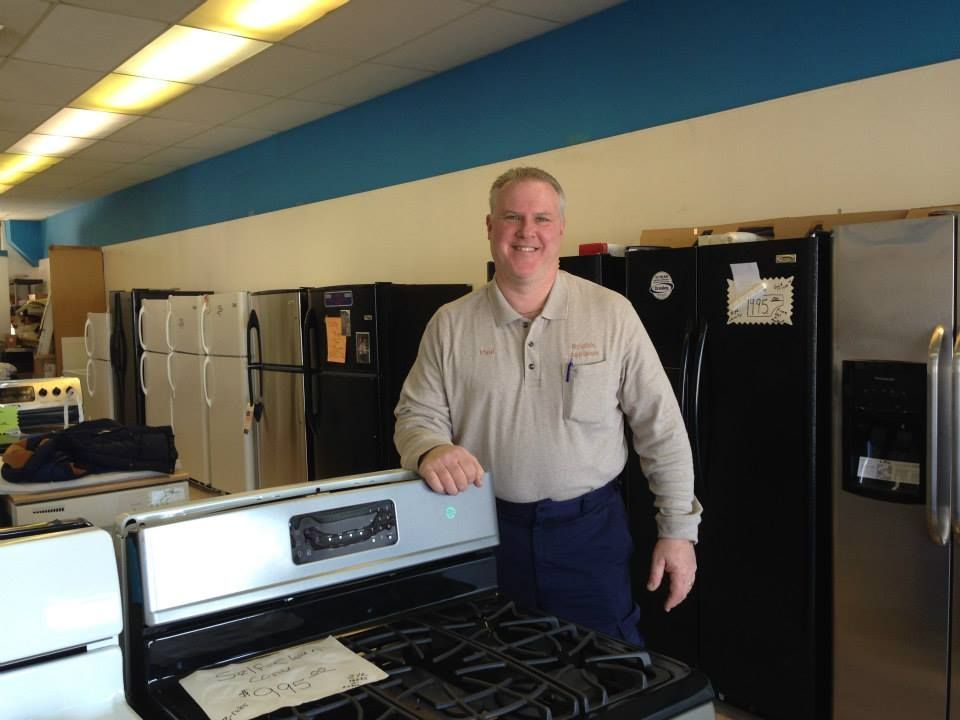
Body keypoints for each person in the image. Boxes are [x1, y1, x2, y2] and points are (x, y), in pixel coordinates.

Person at [394, 166, 701, 645]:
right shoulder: (450, 324)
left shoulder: (611, 313)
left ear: (560, 229)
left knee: (607, 673)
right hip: (486, 532)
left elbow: (660, 427)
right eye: (512, 217)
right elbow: (416, 416)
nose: (526, 232)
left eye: (541, 218)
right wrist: (430, 449)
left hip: (589, 535)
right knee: (495, 673)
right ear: (490, 227)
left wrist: (678, 530)